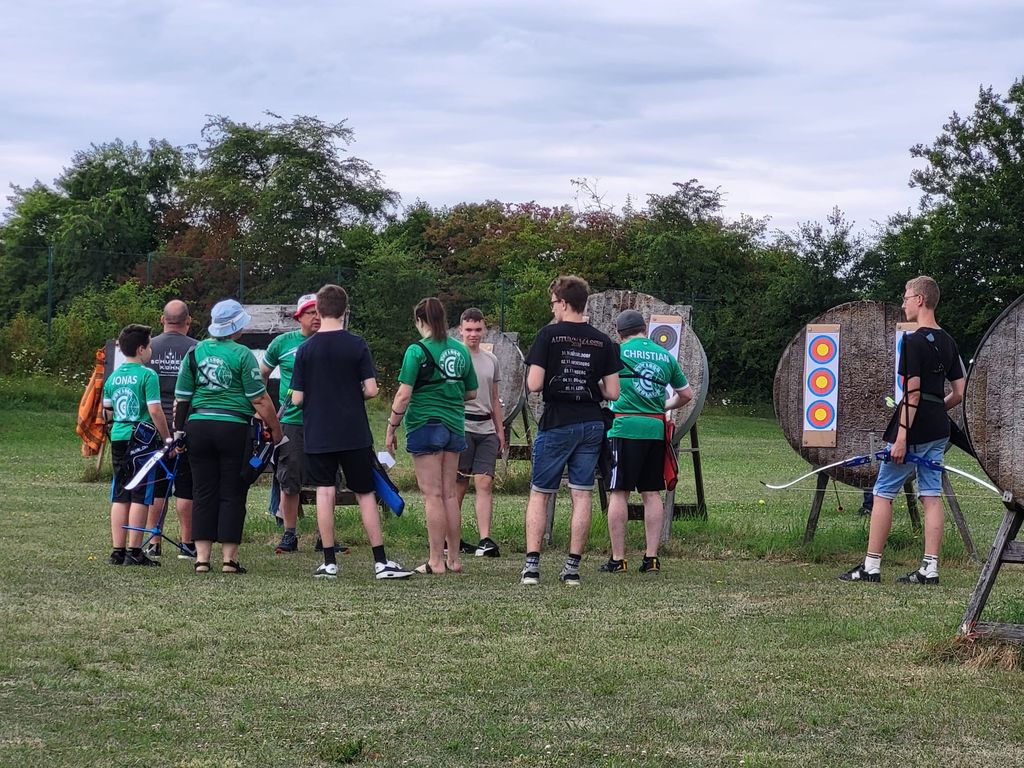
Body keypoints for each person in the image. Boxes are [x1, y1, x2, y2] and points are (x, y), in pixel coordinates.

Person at [840, 276, 965, 585]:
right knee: (931, 494)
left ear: (920, 300)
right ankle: (930, 569)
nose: (903, 303)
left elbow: (912, 395)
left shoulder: (911, 341)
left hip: (914, 427)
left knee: (882, 492)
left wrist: (901, 438)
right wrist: (937, 412)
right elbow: (959, 392)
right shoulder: (948, 341)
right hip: (938, 428)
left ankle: (870, 566)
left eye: (907, 297)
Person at [291, 284, 412, 580]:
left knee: (324, 490)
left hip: (319, 430)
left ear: (317, 310)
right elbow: (371, 390)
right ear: (345, 310)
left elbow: (296, 398)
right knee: (365, 492)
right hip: (353, 431)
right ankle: (380, 561)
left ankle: (329, 561)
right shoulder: (357, 344)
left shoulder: (305, 349)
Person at [520, 276, 620, 586]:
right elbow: (613, 392)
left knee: (541, 493)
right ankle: (572, 567)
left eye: (553, 302)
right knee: (582, 493)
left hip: (557, 422)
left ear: (563, 303)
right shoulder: (603, 342)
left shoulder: (548, 335)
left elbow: (534, 384)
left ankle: (532, 566)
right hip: (591, 423)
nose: (552, 307)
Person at [174, 299, 282, 574]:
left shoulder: (194, 353)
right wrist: (275, 428)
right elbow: (258, 398)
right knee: (233, 491)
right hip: (233, 427)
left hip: (198, 426)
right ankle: (229, 559)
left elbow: (182, 398)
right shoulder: (243, 354)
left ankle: (201, 558)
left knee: (203, 490)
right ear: (237, 326)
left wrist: (178, 431)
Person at [386, 297, 478, 575]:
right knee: (450, 494)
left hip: (425, 425)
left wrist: (391, 426)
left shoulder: (417, 351)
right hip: (454, 426)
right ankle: (454, 559)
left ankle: (435, 561)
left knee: (432, 495)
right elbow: (472, 392)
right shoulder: (461, 351)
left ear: (420, 321)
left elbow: (404, 395)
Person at [600, 309, 692, 575]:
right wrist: (664, 404)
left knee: (619, 492)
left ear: (619, 332)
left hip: (623, 426)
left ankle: (618, 559)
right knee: (651, 493)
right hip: (654, 428)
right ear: (645, 329)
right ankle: (651, 558)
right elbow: (685, 394)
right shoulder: (664, 355)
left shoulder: (616, 353)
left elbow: (602, 387)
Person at [104, 324, 171, 566]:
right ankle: (135, 549)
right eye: (150, 346)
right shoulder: (147, 375)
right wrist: (167, 437)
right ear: (142, 349)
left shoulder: (114, 376)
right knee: (141, 494)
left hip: (120, 436)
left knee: (120, 492)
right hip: (142, 440)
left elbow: (108, 408)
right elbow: (154, 409)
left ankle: (117, 550)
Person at [260, 293, 320, 554]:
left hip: (325, 421)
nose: (316, 317)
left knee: (326, 481)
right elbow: (262, 373)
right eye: (310, 312)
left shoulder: (331, 342)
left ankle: (325, 536)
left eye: (320, 311)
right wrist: (262, 410)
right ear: (299, 317)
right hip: (292, 421)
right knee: (289, 478)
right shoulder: (282, 343)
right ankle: (289, 534)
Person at [143, 299, 197, 560]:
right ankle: (188, 543)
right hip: (186, 427)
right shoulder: (198, 350)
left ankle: (154, 541)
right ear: (188, 321)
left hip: (153, 427)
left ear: (162, 320)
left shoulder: (148, 348)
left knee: (158, 485)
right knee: (186, 486)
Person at [455, 308, 506, 558]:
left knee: (485, 482)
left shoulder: (491, 360)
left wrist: (500, 430)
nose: (473, 334)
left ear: (484, 330)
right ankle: (449, 536)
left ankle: (485, 539)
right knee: (459, 483)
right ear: (460, 331)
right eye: (468, 330)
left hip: (486, 428)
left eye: (477, 330)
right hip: (462, 425)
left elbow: (495, 399)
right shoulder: (455, 356)